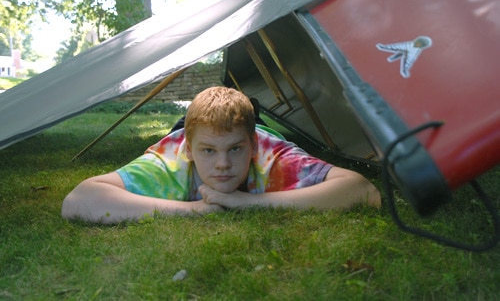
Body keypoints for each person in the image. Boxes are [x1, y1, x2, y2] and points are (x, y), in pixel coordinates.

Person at [62, 86, 380, 224]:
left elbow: (364, 192)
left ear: (253, 147)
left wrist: (246, 203)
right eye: (209, 152)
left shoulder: (272, 156)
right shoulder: (171, 159)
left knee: (235, 128)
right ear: (188, 151)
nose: (223, 164)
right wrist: (197, 210)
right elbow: (78, 201)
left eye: (236, 150)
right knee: (206, 131)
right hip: (184, 131)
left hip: (257, 127)